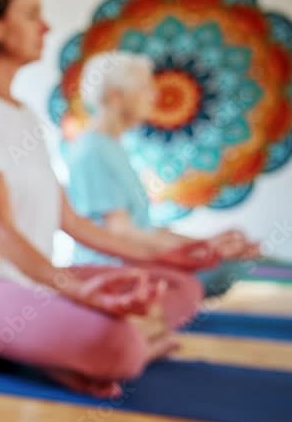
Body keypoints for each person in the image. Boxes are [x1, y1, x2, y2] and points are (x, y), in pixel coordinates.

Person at [0, 0, 219, 398]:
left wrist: (172, 256)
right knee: (119, 345)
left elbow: (72, 221)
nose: (46, 26)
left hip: (32, 280)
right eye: (32, 15)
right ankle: (96, 347)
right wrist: (79, 291)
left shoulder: (24, 116)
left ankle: (65, 349)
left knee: (180, 287)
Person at [66, 51, 262, 298]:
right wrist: (206, 252)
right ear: (116, 96)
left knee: (257, 264)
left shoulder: (110, 146)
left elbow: (143, 228)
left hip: (138, 265)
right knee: (245, 273)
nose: (154, 95)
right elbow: (121, 233)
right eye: (145, 88)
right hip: (117, 275)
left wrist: (209, 245)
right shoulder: (92, 150)